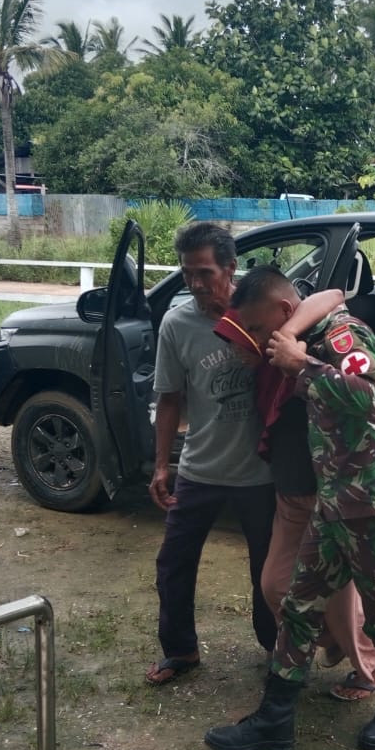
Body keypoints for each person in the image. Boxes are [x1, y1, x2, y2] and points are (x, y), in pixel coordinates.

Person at [204, 266, 375, 750]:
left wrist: (301, 367)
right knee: (300, 607)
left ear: (285, 312)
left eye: (260, 329)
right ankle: (274, 720)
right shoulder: (310, 332)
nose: (260, 342)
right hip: (336, 504)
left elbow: (369, 398)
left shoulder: (344, 335)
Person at [213, 292, 375, 702]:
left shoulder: (314, 345)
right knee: (275, 584)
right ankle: (326, 647)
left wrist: (294, 348)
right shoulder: (268, 367)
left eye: (253, 333)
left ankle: (369, 667)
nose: (247, 345)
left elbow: (332, 297)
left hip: (326, 496)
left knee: (339, 599)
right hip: (290, 495)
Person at [145, 222, 276, 686]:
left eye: (205, 273)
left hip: (261, 472)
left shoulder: (260, 311)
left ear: (230, 268)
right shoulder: (177, 323)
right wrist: (163, 465)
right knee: (173, 562)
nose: (197, 284)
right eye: (188, 274)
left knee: (268, 569)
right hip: (200, 467)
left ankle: (274, 647)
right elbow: (170, 399)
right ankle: (180, 649)